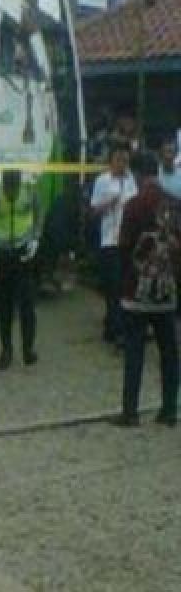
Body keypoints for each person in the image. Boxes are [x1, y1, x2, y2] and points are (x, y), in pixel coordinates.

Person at [111, 152, 180, 427]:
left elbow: (124, 246)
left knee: (135, 352)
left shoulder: (134, 205)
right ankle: (169, 410)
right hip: (166, 290)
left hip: (137, 291)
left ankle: (131, 412)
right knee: (169, 353)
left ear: (139, 175)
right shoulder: (174, 204)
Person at [0, 169, 43, 369]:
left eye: (13, 180)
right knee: (4, 306)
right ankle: (6, 351)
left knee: (27, 305)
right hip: (3, 253)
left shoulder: (30, 191)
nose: (9, 185)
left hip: (24, 252)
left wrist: (36, 237)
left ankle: (28, 350)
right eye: (7, 181)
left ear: (19, 179)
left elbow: (39, 215)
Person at [91, 145, 137, 347]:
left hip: (127, 239)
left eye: (125, 160)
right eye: (119, 160)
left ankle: (114, 325)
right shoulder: (102, 180)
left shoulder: (130, 180)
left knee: (125, 285)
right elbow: (93, 210)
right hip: (109, 240)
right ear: (111, 161)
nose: (122, 164)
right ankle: (116, 329)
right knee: (114, 285)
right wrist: (108, 203)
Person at [157, 139, 181, 203]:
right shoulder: (155, 173)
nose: (168, 156)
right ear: (161, 154)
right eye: (166, 151)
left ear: (175, 155)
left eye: (171, 151)